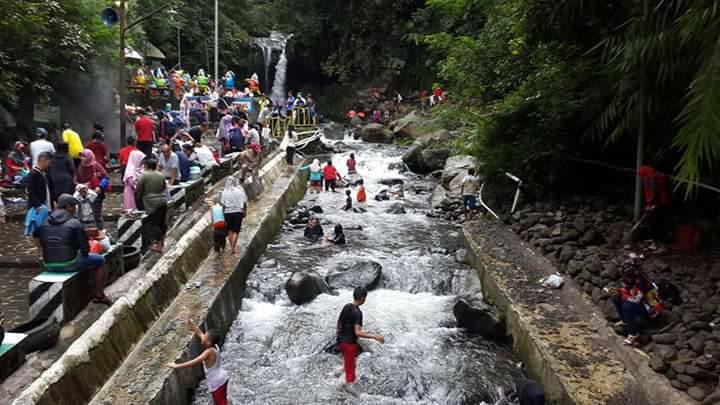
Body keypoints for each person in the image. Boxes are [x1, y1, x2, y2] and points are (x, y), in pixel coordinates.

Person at [33, 194, 111, 305]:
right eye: (74, 207)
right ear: (69, 207)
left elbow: (35, 235)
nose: (75, 210)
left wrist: (40, 250)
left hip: (48, 264)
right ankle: (100, 295)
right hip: (69, 264)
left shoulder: (44, 221)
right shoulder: (75, 223)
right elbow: (85, 250)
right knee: (100, 260)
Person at [166, 318, 229, 405]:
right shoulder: (214, 346)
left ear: (208, 342)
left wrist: (176, 366)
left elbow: (194, 362)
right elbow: (199, 333)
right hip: (222, 377)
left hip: (217, 382)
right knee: (222, 400)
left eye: (205, 337)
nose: (202, 338)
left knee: (220, 403)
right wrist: (190, 322)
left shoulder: (208, 352)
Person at [336, 287, 384, 395]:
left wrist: (339, 336)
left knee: (349, 364)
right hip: (350, 345)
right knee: (350, 375)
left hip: (341, 341)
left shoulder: (346, 306)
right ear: (363, 298)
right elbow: (357, 332)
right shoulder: (358, 313)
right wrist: (374, 336)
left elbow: (340, 322)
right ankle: (346, 393)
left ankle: (335, 375)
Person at [609, 255, 664, 346]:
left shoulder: (642, 281)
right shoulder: (630, 279)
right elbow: (628, 291)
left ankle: (633, 333)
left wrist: (622, 295)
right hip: (640, 303)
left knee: (626, 306)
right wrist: (618, 292)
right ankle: (625, 320)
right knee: (616, 298)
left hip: (651, 308)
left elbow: (636, 299)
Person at [136, 158, 168, 252]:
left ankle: (158, 244)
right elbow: (164, 187)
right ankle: (160, 243)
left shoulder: (144, 175)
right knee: (161, 223)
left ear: (146, 166)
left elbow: (139, 190)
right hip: (163, 201)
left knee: (153, 223)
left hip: (151, 203)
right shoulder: (161, 175)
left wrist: (139, 200)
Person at [76, 149, 110, 229]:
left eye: (84, 156)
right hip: (83, 194)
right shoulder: (80, 166)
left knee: (97, 214)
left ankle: (100, 231)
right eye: (81, 156)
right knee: (83, 215)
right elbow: (76, 178)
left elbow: (105, 177)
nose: (82, 158)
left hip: (95, 193)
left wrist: (100, 187)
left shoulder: (95, 165)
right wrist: (79, 186)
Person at [220, 177, 248, 255]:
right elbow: (244, 203)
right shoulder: (239, 191)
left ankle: (232, 247)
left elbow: (223, 204)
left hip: (227, 213)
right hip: (237, 212)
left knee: (230, 230)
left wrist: (223, 213)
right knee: (236, 231)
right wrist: (245, 211)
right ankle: (233, 248)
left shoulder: (224, 192)